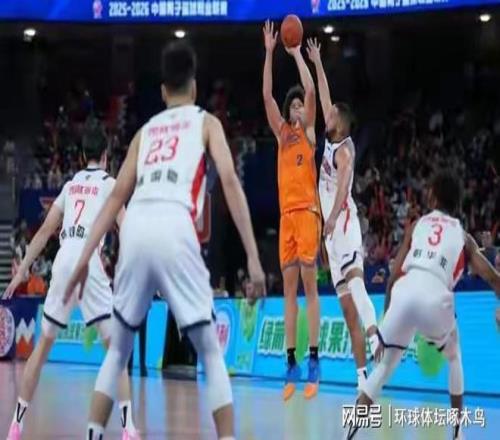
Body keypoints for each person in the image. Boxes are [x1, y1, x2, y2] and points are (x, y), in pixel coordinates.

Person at [63, 41, 266, 440]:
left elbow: (115, 198)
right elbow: (228, 181)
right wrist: (254, 258)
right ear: (194, 86)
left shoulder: (144, 132)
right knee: (209, 351)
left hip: (136, 227)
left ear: (162, 91)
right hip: (174, 224)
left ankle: (92, 433)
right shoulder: (206, 122)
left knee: (116, 352)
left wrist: (84, 259)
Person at [3, 124, 139, 440]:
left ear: (80, 157)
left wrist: (23, 269)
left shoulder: (70, 185)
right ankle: (128, 428)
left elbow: (44, 232)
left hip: (64, 261)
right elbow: (128, 230)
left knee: (42, 347)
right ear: (105, 157)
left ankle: (16, 425)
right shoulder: (110, 184)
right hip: (88, 262)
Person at [346, 172, 500, 440]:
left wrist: (386, 320)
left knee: (383, 369)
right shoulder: (463, 237)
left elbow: (393, 277)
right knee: (454, 356)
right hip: (434, 297)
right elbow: (491, 277)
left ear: (434, 197)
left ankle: (347, 435)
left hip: (403, 292)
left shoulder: (417, 225)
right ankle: (457, 432)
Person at [306, 39, 379, 388]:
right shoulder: (331, 137)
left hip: (344, 222)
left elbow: (345, 181)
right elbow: (324, 93)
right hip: (331, 233)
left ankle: (375, 335)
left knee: (356, 281)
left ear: (342, 124)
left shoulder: (344, 151)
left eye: (332, 113)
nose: (327, 114)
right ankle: (363, 378)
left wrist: (332, 218)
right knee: (348, 312)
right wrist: (317, 62)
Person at [262, 20, 321, 400]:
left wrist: (297, 54)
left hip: (308, 214)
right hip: (286, 218)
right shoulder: (283, 135)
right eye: (293, 105)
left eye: (301, 106)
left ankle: (314, 359)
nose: (298, 108)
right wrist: (270, 53)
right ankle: (291, 362)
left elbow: (311, 89)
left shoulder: (310, 134)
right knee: (288, 291)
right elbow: (267, 95)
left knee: (310, 286)